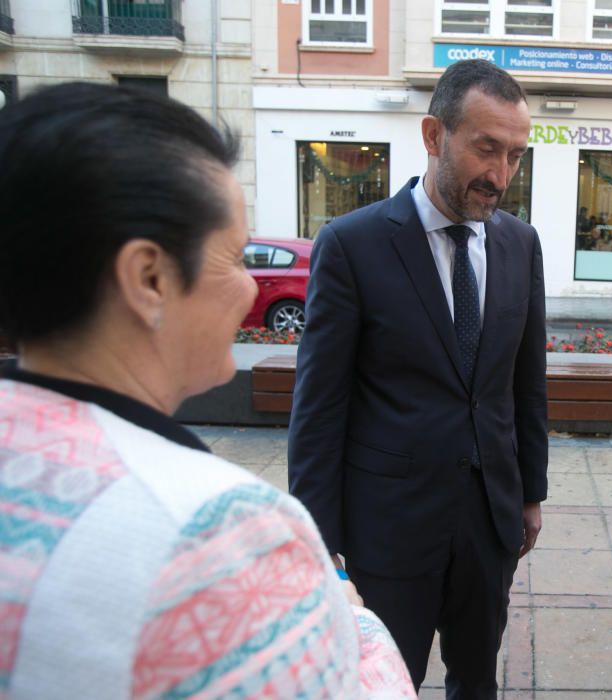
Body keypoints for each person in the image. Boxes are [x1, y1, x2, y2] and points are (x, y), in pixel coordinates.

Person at [0, 83, 415, 699]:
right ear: (148, 277)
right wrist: (351, 615)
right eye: (233, 258)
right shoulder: (221, 532)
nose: (250, 290)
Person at [288, 59, 548, 698]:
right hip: (388, 528)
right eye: (486, 149)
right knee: (382, 683)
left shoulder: (521, 244)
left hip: (489, 523)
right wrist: (321, 546)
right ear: (434, 135)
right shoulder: (353, 244)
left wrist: (530, 493)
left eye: (515, 154)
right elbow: (319, 409)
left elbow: (525, 383)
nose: (501, 175)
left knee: (477, 680)